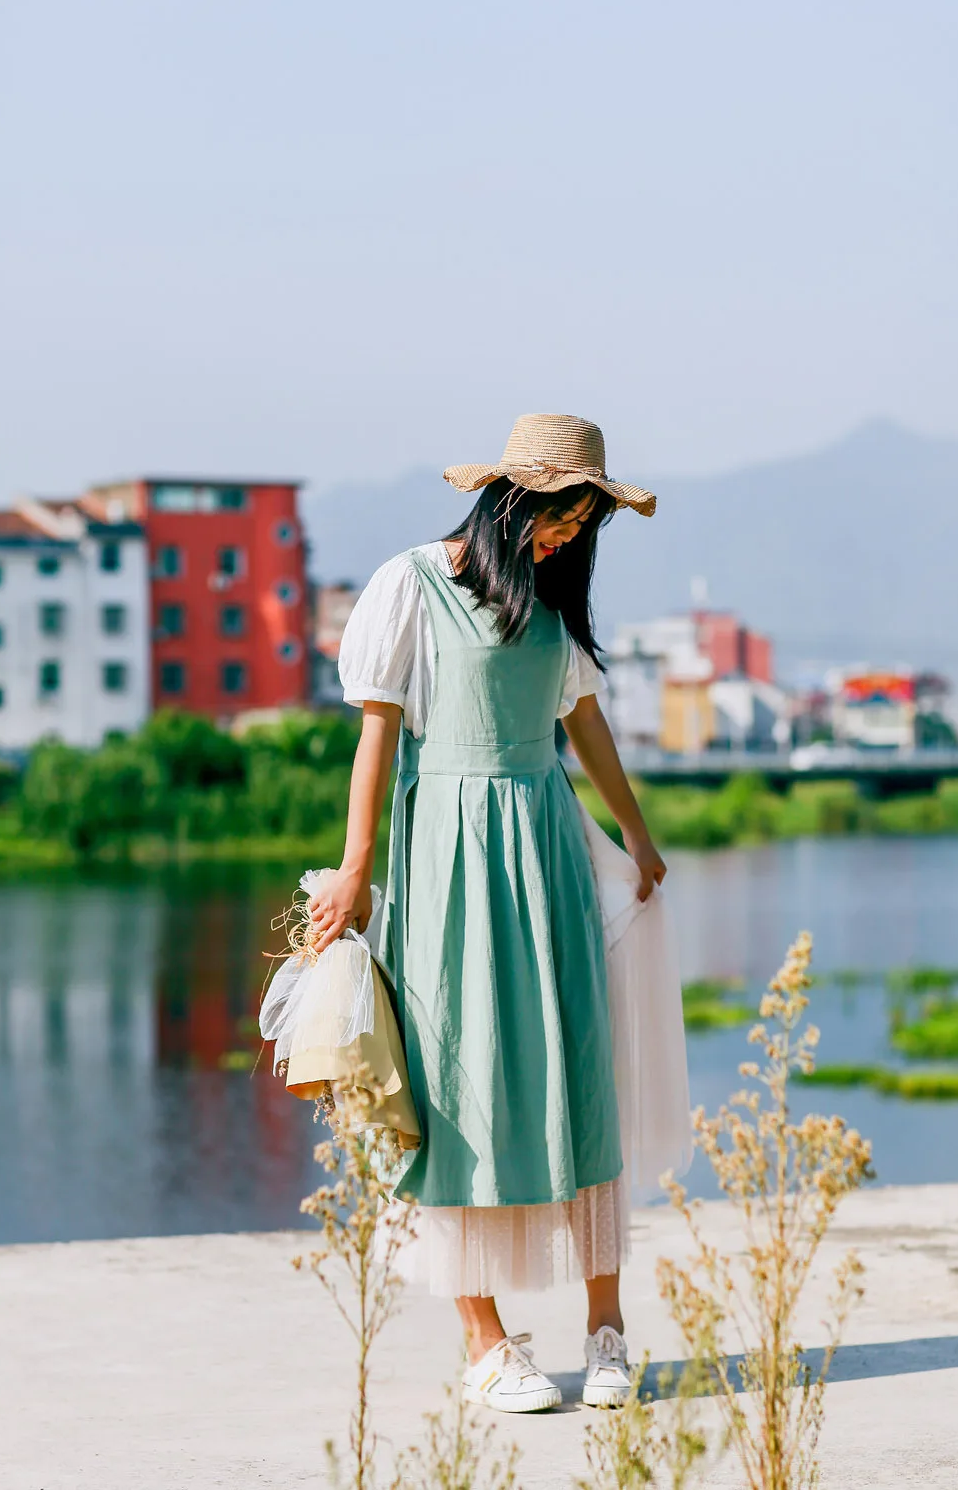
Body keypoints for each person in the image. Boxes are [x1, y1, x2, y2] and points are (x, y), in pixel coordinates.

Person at [309, 413, 686, 1414]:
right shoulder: (411, 583)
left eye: (583, 522)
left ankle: (606, 1332)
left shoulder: (551, 602)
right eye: (562, 515)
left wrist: (637, 837)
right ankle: (485, 1343)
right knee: (459, 1073)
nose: (568, 537)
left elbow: (583, 721)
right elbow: (375, 736)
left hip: (546, 842)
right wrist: (354, 870)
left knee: (577, 1068)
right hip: (446, 853)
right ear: (514, 497)